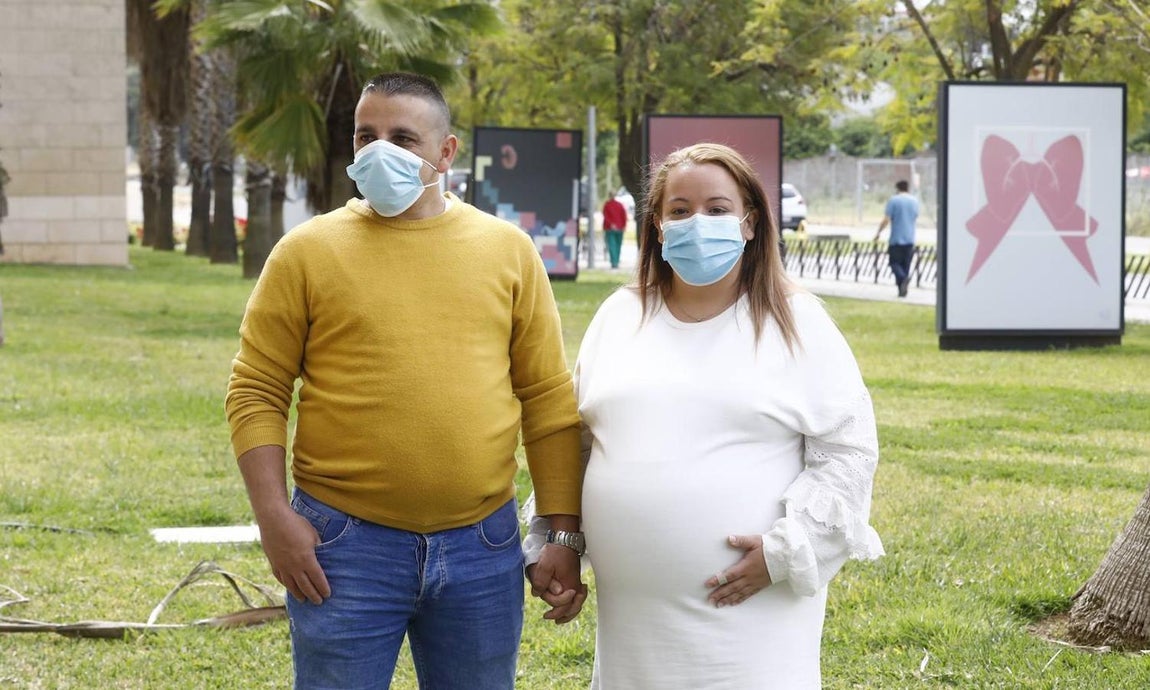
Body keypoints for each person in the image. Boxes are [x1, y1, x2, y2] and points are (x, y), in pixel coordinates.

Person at [225, 72, 587, 690]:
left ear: (445, 153)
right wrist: (271, 516)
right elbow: (257, 387)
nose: (379, 150)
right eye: (366, 136)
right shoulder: (306, 251)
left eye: (403, 137)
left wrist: (561, 532)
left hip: (483, 546)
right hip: (341, 545)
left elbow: (547, 398)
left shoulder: (508, 250)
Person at [524, 142, 884, 688]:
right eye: (680, 210)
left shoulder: (798, 323)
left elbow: (848, 451)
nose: (698, 222)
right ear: (659, 226)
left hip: (751, 613)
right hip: (635, 631)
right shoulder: (620, 316)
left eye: (717, 209)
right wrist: (558, 538)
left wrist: (789, 550)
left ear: (749, 223)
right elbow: (578, 442)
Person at [873, 179, 920, 297]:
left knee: (894, 263)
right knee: (905, 265)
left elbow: (887, 219)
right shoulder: (914, 201)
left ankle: (903, 279)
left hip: (896, 239)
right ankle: (902, 290)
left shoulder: (894, 200)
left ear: (898, 189)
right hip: (910, 238)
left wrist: (879, 232)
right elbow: (915, 217)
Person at [601, 195, 628, 269]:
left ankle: (614, 262)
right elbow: (624, 216)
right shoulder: (620, 205)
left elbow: (605, 216)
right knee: (618, 245)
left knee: (612, 245)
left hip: (610, 228)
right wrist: (624, 225)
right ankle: (616, 261)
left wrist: (611, 224)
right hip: (620, 227)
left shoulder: (607, 205)